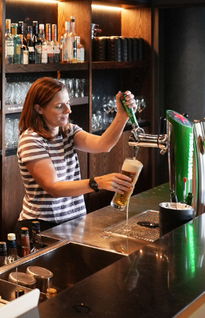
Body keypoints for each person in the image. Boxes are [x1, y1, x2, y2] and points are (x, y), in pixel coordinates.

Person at [17, 77, 135, 230]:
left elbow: (103, 144)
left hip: (72, 222)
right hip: (42, 225)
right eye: (59, 106)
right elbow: (54, 188)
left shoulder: (67, 131)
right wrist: (96, 182)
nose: (68, 110)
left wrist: (122, 115)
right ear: (39, 109)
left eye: (68, 103)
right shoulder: (31, 140)